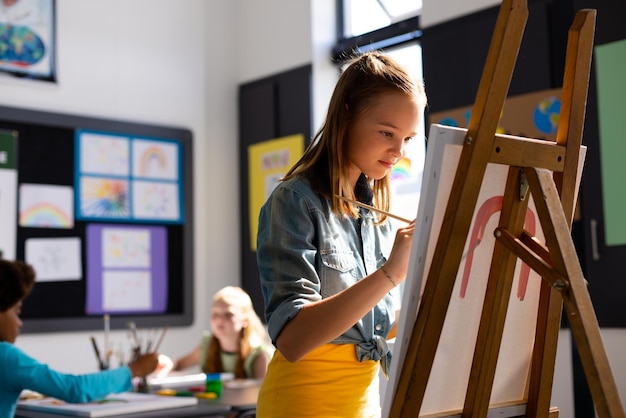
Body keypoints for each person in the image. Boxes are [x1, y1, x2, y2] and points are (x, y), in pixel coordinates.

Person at [255, 50, 427, 417]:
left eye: (409, 138)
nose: (398, 151)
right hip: (302, 404)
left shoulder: (376, 216)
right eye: (387, 133)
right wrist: (389, 275)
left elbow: (367, 325)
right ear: (346, 114)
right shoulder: (294, 202)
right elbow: (293, 339)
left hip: (363, 405)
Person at [0, 258, 159, 418]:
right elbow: (75, 388)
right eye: (17, 311)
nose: (19, 323)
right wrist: (134, 370)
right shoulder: (6, 357)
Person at [158, 286, 273, 379]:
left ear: (245, 320)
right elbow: (179, 364)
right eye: (215, 314)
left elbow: (261, 396)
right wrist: (168, 364)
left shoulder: (258, 355)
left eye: (228, 314)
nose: (219, 320)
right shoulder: (207, 346)